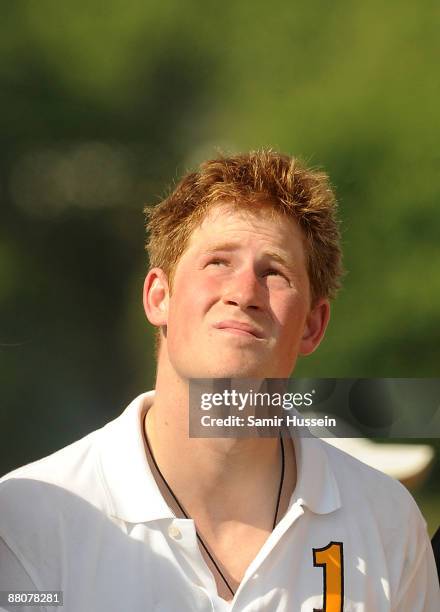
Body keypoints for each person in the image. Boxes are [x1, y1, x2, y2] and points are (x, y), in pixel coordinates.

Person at [0, 150, 438, 611]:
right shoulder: (28, 522)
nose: (244, 292)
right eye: (218, 262)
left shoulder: (387, 523)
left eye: (275, 273)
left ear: (312, 325)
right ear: (158, 296)